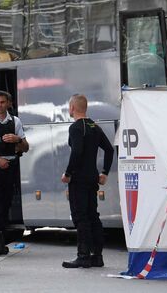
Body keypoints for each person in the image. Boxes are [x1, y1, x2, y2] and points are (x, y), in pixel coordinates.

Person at [60, 94, 114, 269]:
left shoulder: (76, 127)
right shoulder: (93, 126)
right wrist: (104, 172)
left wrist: (68, 173)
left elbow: (77, 151)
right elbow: (109, 149)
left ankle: (83, 256)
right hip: (92, 177)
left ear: (72, 108)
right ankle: (97, 256)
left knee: (80, 216)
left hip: (79, 178)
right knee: (93, 215)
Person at [0, 90, 29, 255]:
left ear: (8, 103)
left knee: (6, 202)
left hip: (11, 165)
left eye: (2, 102)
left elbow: (26, 147)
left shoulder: (15, 121)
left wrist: (18, 140)